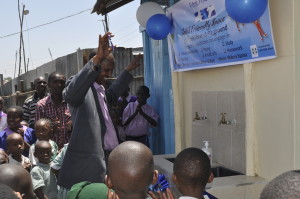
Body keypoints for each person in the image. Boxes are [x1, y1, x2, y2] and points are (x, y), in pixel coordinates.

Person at [58, 32, 142, 192]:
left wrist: (127, 72)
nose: (109, 75)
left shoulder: (101, 89)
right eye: (105, 70)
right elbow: (70, 94)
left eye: (112, 70)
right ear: (94, 67)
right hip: (91, 161)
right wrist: (96, 59)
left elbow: (111, 95)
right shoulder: (81, 88)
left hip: (109, 156)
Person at [35, 72, 72, 149]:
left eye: (62, 82)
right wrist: (51, 129)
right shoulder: (41, 105)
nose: (59, 85)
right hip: (49, 151)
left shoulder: (71, 103)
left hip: (70, 149)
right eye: (55, 82)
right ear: (48, 85)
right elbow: (38, 133)